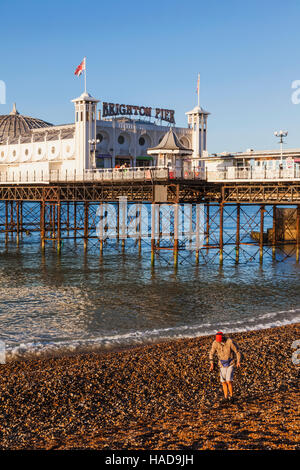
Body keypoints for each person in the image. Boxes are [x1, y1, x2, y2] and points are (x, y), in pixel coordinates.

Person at [209, 331, 241, 403]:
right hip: (221, 364)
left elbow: (237, 351)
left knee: (228, 380)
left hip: (230, 363)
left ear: (222, 338)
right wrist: (212, 363)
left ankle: (231, 396)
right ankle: (226, 397)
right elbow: (211, 353)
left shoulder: (230, 341)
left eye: (219, 340)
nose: (218, 341)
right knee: (223, 382)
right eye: (217, 340)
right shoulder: (215, 343)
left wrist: (238, 361)